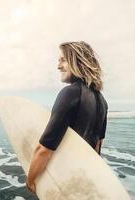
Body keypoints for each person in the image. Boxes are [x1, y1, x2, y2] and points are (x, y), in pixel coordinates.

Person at [26, 41, 108, 193]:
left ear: (76, 61)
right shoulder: (102, 101)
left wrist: (30, 181)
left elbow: (44, 149)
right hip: (83, 180)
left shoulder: (70, 93)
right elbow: (97, 146)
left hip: (64, 178)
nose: (58, 66)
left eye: (63, 60)